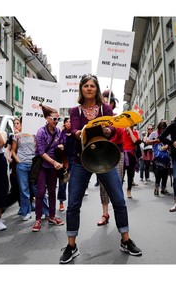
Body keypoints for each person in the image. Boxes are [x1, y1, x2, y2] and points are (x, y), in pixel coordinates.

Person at [59, 74, 142, 264]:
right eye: (86, 86)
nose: (89, 88)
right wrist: (78, 133)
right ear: (81, 89)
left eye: (92, 86)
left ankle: (125, 240)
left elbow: (114, 128)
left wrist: (107, 131)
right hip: (82, 160)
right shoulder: (75, 110)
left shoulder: (106, 108)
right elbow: (73, 131)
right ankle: (71, 246)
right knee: (73, 204)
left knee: (119, 200)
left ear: (96, 89)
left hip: (104, 157)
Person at [31, 103, 65, 232]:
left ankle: (52, 216)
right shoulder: (41, 132)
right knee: (40, 192)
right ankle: (38, 218)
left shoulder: (58, 131)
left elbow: (61, 143)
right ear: (47, 118)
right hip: (43, 165)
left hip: (53, 167)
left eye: (58, 119)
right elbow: (41, 152)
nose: (56, 121)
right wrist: (54, 163)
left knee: (52, 191)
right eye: (54, 119)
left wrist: (61, 147)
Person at [97, 92, 125, 226]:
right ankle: (105, 213)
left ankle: (118, 211)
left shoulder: (118, 119)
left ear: (112, 103)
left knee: (116, 184)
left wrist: (109, 131)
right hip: (103, 154)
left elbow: (120, 136)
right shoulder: (97, 118)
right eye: (102, 99)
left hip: (117, 153)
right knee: (103, 185)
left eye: (106, 100)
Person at [11, 117, 35, 221]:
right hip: (22, 164)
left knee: (36, 188)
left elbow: (38, 148)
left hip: (33, 164)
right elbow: (13, 151)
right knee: (24, 189)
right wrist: (18, 160)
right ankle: (26, 212)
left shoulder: (34, 134)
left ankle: (42, 211)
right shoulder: (16, 136)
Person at [146, 120, 170, 196]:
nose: (162, 131)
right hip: (157, 156)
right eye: (161, 129)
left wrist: (167, 146)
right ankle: (156, 187)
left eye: (164, 129)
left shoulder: (168, 134)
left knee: (165, 172)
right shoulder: (154, 134)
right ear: (158, 129)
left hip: (166, 156)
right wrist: (155, 140)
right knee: (159, 170)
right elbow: (147, 141)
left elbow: (171, 142)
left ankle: (163, 188)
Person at [57, 117, 75, 212]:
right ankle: (61, 202)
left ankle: (72, 203)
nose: (69, 123)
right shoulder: (61, 134)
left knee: (73, 182)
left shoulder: (75, 133)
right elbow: (57, 142)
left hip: (74, 159)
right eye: (67, 122)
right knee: (63, 182)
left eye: (70, 122)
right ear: (64, 124)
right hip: (64, 160)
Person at [123, 125, 141, 199]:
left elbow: (135, 141)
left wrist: (130, 131)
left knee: (130, 174)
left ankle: (129, 189)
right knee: (121, 174)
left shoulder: (135, 133)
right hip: (122, 155)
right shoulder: (121, 132)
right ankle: (119, 191)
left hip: (131, 155)